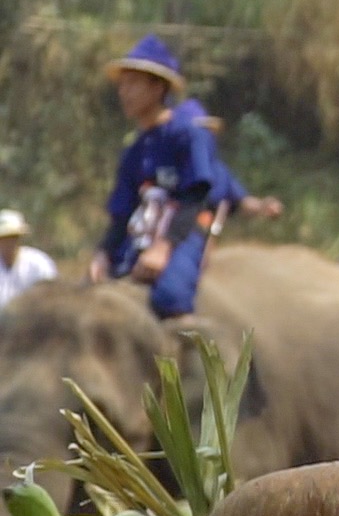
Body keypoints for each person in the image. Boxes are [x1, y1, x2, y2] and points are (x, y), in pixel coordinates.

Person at [88, 35, 220, 320]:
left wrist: (164, 247)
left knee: (169, 296)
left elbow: (195, 199)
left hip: (182, 233)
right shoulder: (134, 150)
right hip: (138, 236)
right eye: (122, 84)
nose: (124, 92)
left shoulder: (188, 135)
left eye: (133, 83)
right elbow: (121, 215)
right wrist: (102, 253)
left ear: (158, 87)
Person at [173, 98, 283, 222]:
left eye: (204, 134)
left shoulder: (218, 171)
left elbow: (242, 200)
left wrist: (263, 205)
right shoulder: (167, 168)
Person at [0, 209, 55, 309]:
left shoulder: (39, 264)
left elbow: (53, 297)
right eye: (4, 238)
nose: (9, 242)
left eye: (13, 237)